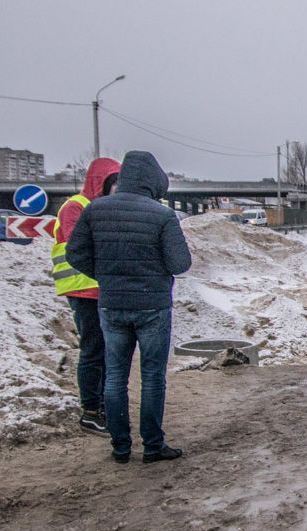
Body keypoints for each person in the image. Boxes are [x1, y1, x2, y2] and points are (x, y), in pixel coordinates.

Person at [66, 150, 192, 464]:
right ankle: (152, 446)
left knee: (114, 377)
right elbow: (180, 263)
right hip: (152, 307)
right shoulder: (162, 215)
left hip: (111, 306)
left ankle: (120, 447)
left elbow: (74, 253)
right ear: (153, 181)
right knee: (151, 377)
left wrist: (107, 276)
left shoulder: (96, 210)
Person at [53, 157, 121, 436]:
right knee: (93, 350)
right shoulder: (75, 207)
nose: (116, 189)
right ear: (100, 182)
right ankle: (91, 411)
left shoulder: (102, 208)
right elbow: (78, 247)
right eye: (113, 183)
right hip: (82, 289)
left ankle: (103, 404)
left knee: (104, 350)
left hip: (100, 288)